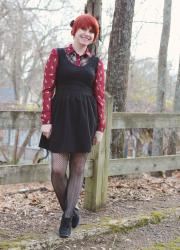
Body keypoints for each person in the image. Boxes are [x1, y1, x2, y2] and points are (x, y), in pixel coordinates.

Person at [38, 13, 105, 238]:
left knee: (77, 169)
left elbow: (100, 97)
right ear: (75, 30)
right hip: (60, 115)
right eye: (83, 29)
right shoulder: (57, 55)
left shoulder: (96, 62)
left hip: (86, 118)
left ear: (94, 37)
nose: (87, 34)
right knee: (57, 170)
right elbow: (47, 88)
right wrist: (45, 120)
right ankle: (71, 209)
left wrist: (100, 127)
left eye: (92, 32)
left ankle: (67, 218)